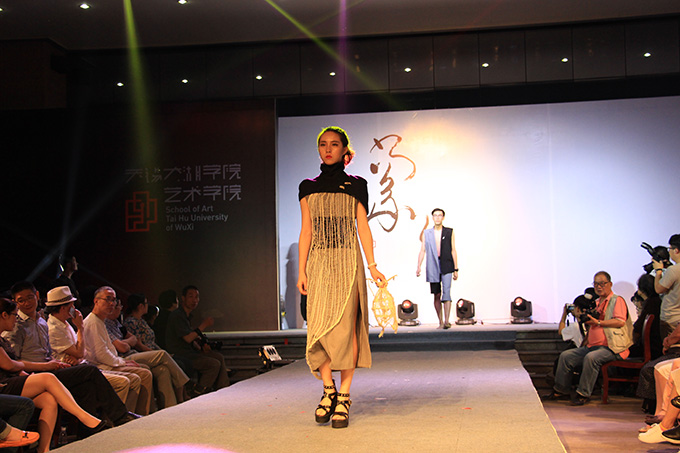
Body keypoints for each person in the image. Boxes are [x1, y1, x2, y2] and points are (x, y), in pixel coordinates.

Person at [297, 126, 386, 429]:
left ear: (345, 150)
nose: (328, 149)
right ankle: (328, 390)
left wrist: (372, 266)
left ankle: (344, 395)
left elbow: (363, 226)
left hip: (349, 263)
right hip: (319, 264)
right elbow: (306, 231)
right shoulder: (307, 187)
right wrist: (301, 270)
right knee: (319, 329)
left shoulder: (357, 184)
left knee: (347, 330)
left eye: (334, 144)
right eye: (323, 144)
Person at [4, 283, 139, 430]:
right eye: (21, 300)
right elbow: (14, 362)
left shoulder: (42, 321)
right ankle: (120, 417)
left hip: (51, 367)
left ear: (37, 296)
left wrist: (59, 361)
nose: (26, 303)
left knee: (86, 385)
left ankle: (89, 431)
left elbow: (50, 353)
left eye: (30, 298)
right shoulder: (16, 325)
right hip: (34, 374)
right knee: (90, 371)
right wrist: (49, 364)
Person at [0, 298, 108, 453]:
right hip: (3, 385)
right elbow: (8, 365)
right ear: (4, 315)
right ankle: (84, 416)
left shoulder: (4, 338)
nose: (15, 319)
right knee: (49, 377)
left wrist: (22, 370)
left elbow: (13, 366)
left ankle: (44, 450)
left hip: (12, 380)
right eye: (13, 315)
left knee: (49, 400)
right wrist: (24, 366)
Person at [542, 271, 634, 406]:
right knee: (566, 356)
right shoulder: (596, 302)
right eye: (596, 284)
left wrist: (598, 322)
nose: (599, 287)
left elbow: (620, 321)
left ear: (610, 284)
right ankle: (560, 391)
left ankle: (583, 394)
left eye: (602, 284)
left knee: (591, 358)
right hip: (592, 346)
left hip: (613, 347)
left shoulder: (617, 300)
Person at [45, 285, 139, 412]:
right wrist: (80, 328)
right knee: (125, 381)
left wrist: (77, 356)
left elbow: (80, 352)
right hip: (78, 370)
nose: (74, 308)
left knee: (136, 375)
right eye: (72, 305)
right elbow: (82, 352)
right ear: (63, 308)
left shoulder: (64, 323)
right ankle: (118, 417)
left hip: (82, 365)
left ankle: (128, 414)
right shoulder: (55, 328)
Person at [105, 294, 188, 409]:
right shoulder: (110, 324)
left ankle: (169, 407)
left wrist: (127, 342)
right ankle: (184, 383)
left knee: (162, 370)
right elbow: (125, 347)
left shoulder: (117, 323)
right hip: (124, 357)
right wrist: (129, 343)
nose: (120, 308)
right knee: (163, 354)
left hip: (133, 353)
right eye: (118, 306)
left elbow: (133, 339)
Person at [82, 287, 154, 415]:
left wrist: (121, 361)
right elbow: (101, 354)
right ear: (96, 301)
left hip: (107, 363)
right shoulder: (93, 322)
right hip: (99, 366)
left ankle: (139, 413)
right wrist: (122, 362)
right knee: (142, 374)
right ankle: (127, 416)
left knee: (144, 370)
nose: (112, 304)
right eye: (108, 299)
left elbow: (109, 350)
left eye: (114, 300)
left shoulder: (100, 321)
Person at [166, 285, 229, 396]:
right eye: (191, 297)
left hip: (190, 352)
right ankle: (199, 393)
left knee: (218, 357)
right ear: (183, 298)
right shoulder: (177, 316)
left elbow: (190, 338)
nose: (194, 300)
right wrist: (204, 325)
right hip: (181, 354)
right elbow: (187, 338)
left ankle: (223, 390)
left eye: (196, 297)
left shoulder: (186, 316)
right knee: (213, 364)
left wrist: (199, 346)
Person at [416, 208, 459, 329]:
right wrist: (419, 265)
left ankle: (447, 321)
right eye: (435, 215)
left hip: (447, 264)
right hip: (433, 265)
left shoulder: (449, 232)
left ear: (443, 217)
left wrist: (456, 268)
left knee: (447, 292)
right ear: (432, 218)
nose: (437, 217)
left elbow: (453, 250)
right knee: (436, 294)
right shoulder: (427, 233)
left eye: (440, 215)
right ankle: (440, 321)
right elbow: (422, 250)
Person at [654, 235, 680, 339]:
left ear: (676, 250)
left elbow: (658, 289)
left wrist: (658, 271)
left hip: (671, 319)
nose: (669, 252)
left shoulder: (673, 270)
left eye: (670, 249)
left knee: (669, 346)